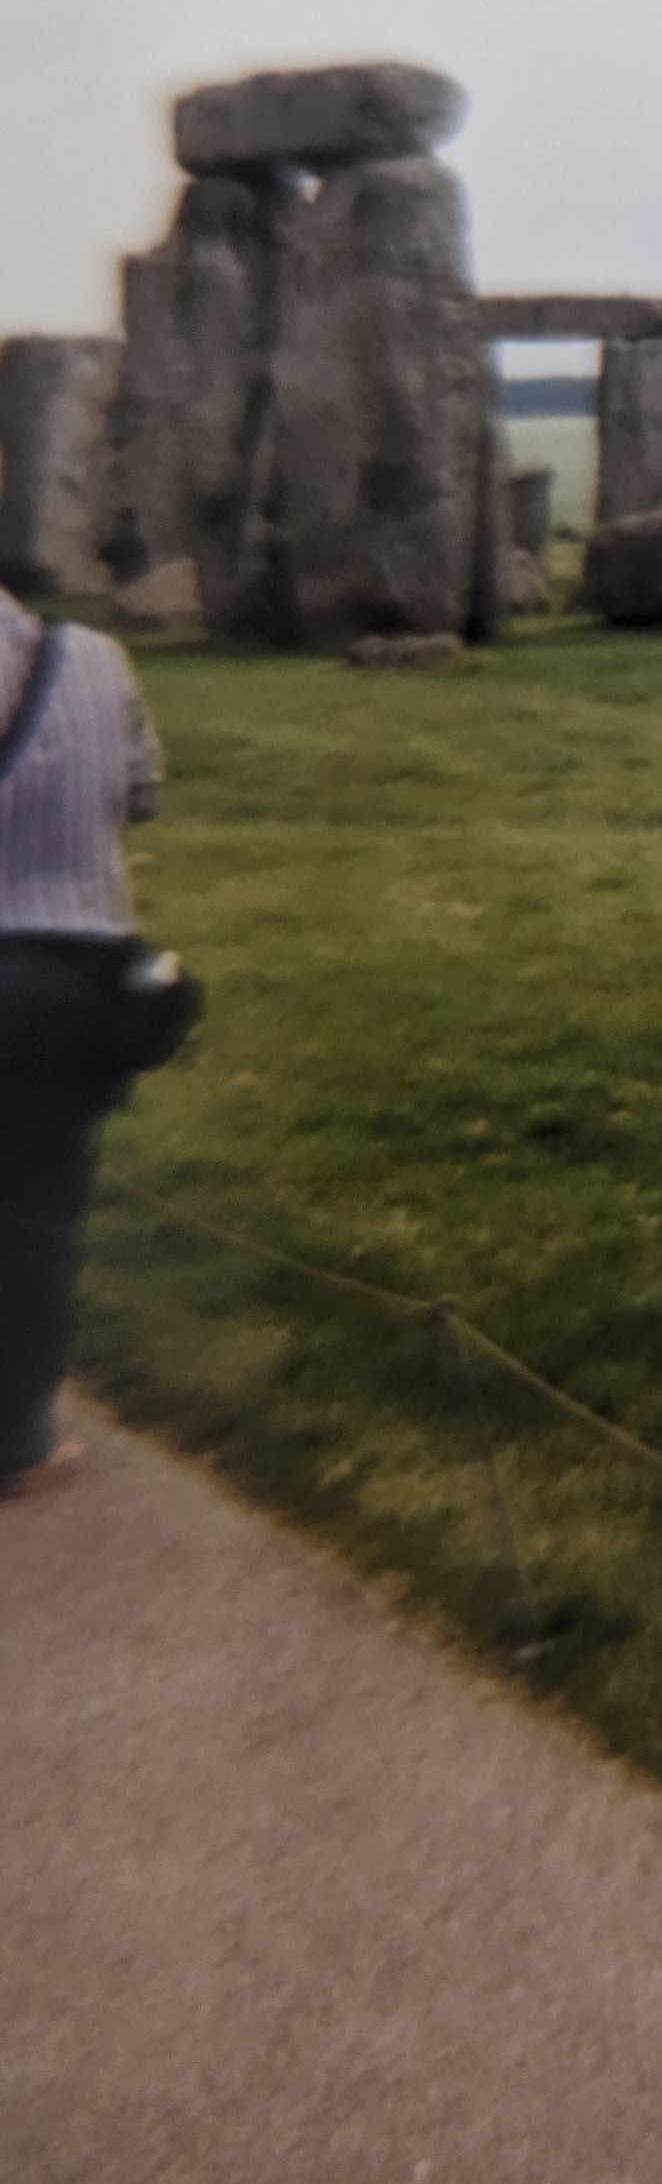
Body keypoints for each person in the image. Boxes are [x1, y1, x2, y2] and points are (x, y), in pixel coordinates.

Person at [0, 581, 164, 1501]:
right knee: (32, 1214)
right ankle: (16, 1441)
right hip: (70, 974)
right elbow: (141, 793)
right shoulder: (100, 660)